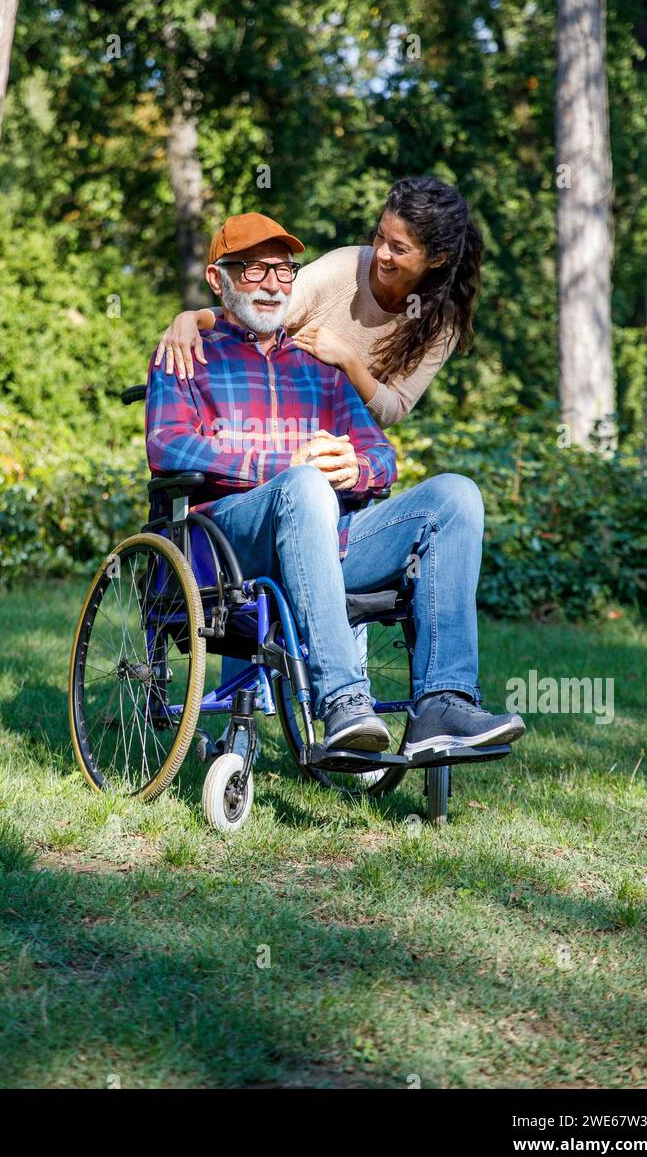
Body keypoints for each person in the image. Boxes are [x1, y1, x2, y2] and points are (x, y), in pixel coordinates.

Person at [145, 212, 525, 756]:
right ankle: (343, 701)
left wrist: (359, 469)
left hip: (322, 540)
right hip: (227, 544)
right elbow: (168, 445)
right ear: (217, 279)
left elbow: (381, 452)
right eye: (254, 271)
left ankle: (443, 703)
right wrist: (284, 464)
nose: (274, 284)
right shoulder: (189, 354)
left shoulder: (317, 364)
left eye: (283, 270)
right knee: (302, 484)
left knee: (455, 496)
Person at [152, 175, 482, 430]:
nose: (381, 253)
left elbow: (392, 410)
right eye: (380, 236)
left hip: (341, 440)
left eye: (399, 248)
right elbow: (260, 311)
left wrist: (348, 361)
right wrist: (193, 318)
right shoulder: (345, 268)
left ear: (437, 259)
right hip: (276, 418)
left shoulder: (441, 323)